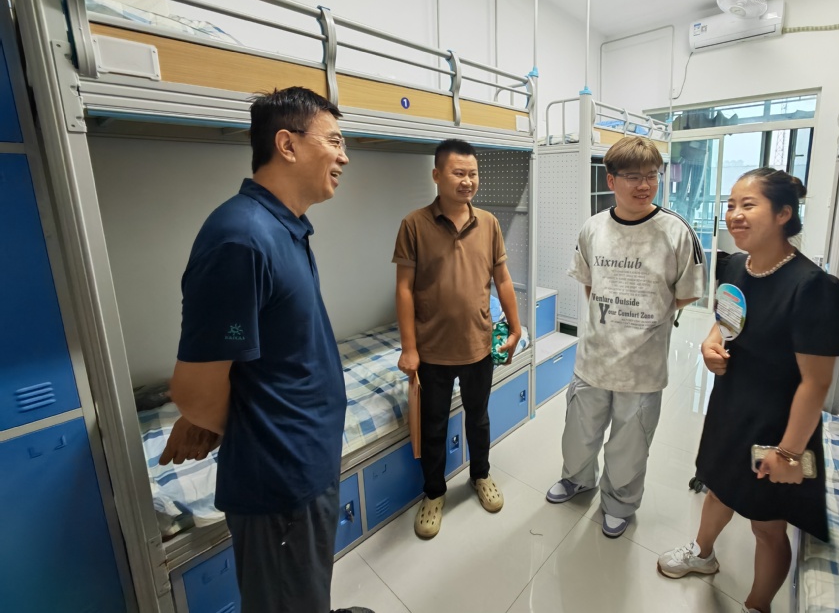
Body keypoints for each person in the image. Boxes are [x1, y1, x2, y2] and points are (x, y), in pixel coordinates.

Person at [160, 87, 372, 613]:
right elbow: (193, 389)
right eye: (335, 141)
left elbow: (251, 350)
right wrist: (220, 419)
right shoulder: (242, 237)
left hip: (305, 461)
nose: (344, 157)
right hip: (280, 477)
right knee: (285, 599)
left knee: (304, 590)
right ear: (287, 144)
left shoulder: (285, 227)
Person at [657, 168, 839, 613]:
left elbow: (816, 382)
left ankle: (757, 605)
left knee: (767, 526)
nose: (735, 214)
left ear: (783, 214)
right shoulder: (735, 266)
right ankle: (703, 554)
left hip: (778, 422)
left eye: (748, 205)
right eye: (730, 205)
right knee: (717, 488)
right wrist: (710, 345)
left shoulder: (813, 287)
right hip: (730, 405)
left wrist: (789, 453)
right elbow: (725, 322)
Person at [545, 136, 705, 538]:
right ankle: (577, 479)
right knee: (579, 433)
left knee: (630, 445)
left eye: (652, 175)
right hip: (594, 358)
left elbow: (687, 292)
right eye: (633, 177)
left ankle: (618, 503)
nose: (644, 185)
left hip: (643, 366)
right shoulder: (593, 228)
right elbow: (589, 283)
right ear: (611, 180)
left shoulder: (676, 232)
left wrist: (647, 318)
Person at [393, 138, 522, 539]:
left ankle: (480, 475)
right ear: (437, 175)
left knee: (478, 418)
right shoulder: (414, 225)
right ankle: (434, 493)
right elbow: (404, 288)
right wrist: (409, 348)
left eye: (473, 174)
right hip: (431, 350)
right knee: (432, 426)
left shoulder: (489, 223)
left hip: (478, 345)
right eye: (458, 173)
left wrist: (515, 327)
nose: (467, 181)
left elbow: (502, 278)